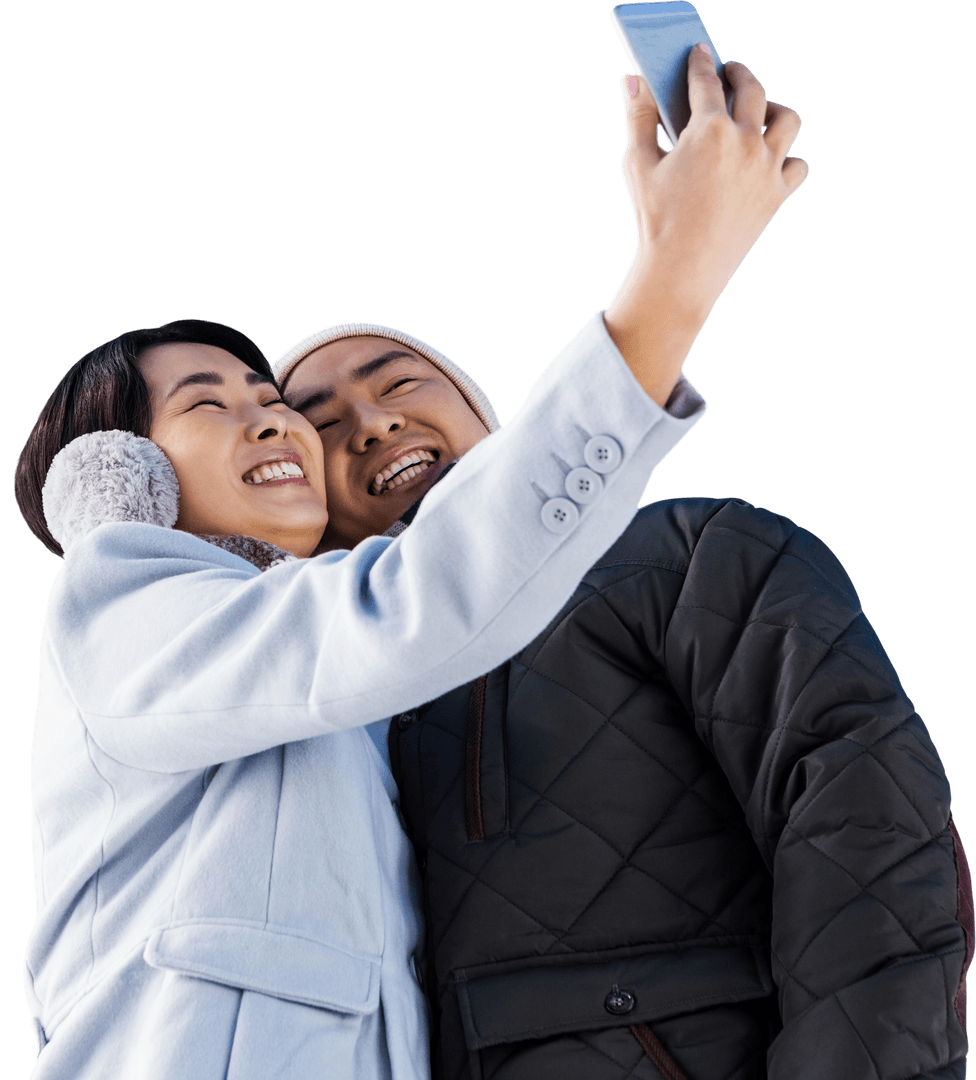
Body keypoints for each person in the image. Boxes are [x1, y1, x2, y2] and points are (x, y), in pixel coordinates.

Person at [16, 47, 808, 1080]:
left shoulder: (336, 697)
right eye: (209, 404)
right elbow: (411, 602)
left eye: (270, 402)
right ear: (131, 474)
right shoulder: (123, 607)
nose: (274, 422)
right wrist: (671, 282)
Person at [273, 96, 972, 1080]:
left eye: (397, 385)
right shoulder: (331, 721)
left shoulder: (685, 557)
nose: (373, 425)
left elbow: (865, 818)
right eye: (322, 425)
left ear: (492, 417)